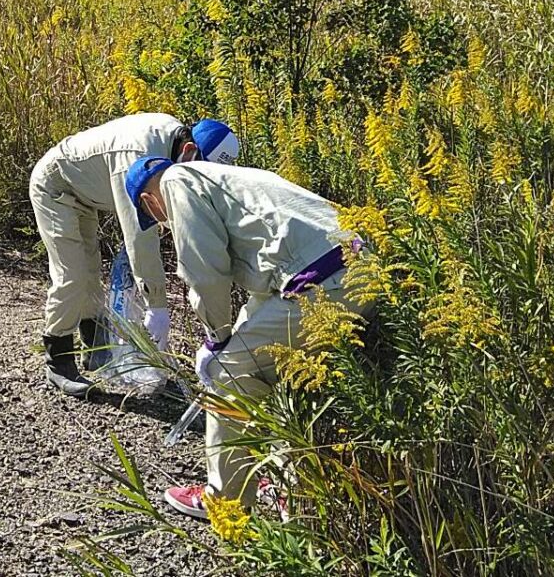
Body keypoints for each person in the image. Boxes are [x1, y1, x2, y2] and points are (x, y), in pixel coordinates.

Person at [125, 157, 370, 520]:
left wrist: (216, 342)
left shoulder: (177, 181)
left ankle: (226, 503)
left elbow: (204, 272)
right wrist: (232, 335)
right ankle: (289, 488)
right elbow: (271, 278)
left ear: (149, 201)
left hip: (323, 285)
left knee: (229, 372)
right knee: (276, 369)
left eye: (159, 221)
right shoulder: (231, 179)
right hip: (360, 269)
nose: (165, 224)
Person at [31, 115, 239, 397]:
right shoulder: (139, 157)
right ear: (189, 150)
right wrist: (157, 305)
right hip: (56, 187)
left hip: (84, 195)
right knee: (73, 276)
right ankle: (58, 361)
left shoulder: (171, 149)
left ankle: (98, 354)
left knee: (92, 275)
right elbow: (140, 234)